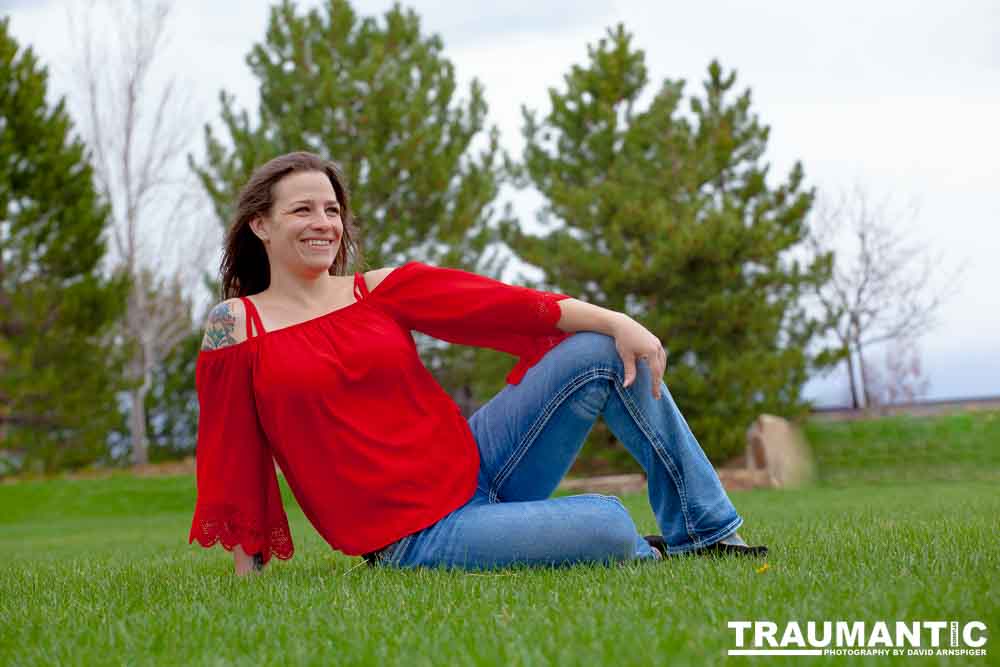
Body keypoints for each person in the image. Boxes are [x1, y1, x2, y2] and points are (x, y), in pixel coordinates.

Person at [189, 151, 766, 576]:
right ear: (261, 225)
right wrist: (249, 575)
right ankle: (618, 544)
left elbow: (504, 304)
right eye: (302, 210)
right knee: (611, 524)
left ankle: (707, 533)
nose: (324, 223)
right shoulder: (236, 327)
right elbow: (234, 455)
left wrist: (619, 321)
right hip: (415, 536)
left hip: (478, 462)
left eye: (332, 210)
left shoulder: (378, 290)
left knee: (599, 350)